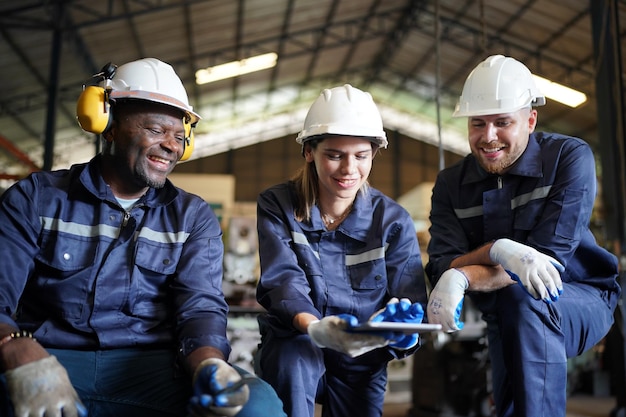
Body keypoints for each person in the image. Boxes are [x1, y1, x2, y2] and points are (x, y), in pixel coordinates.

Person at [0, 57, 285, 417]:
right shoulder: (36, 198)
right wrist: (14, 347)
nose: (171, 145)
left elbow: (199, 307)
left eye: (180, 137)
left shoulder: (192, 216)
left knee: (257, 405)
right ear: (108, 125)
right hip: (48, 356)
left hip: (150, 370)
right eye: (156, 129)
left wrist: (209, 364)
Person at [425, 54, 621, 417]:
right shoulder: (451, 185)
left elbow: (543, 265)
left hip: (578, 296)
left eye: (503, 122)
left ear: (530, 120)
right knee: (512, 407)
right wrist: (496, 254)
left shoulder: (567, 158)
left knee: (526, 299)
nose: (488, 137)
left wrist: (465, 272)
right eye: (478, 123)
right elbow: (441, 264)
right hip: (505, 312)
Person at [254, 84, 428, 417]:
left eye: (361, 156)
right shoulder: (278, 205)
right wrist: (314, 327)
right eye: (335, 155)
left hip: (363, 353)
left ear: (373, 153)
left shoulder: (392, 221)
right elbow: (283, 280)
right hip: (299, 340)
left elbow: (409, 299)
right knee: (294, 361)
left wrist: (403, 334)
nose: (349, 169)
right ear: (309, 152)